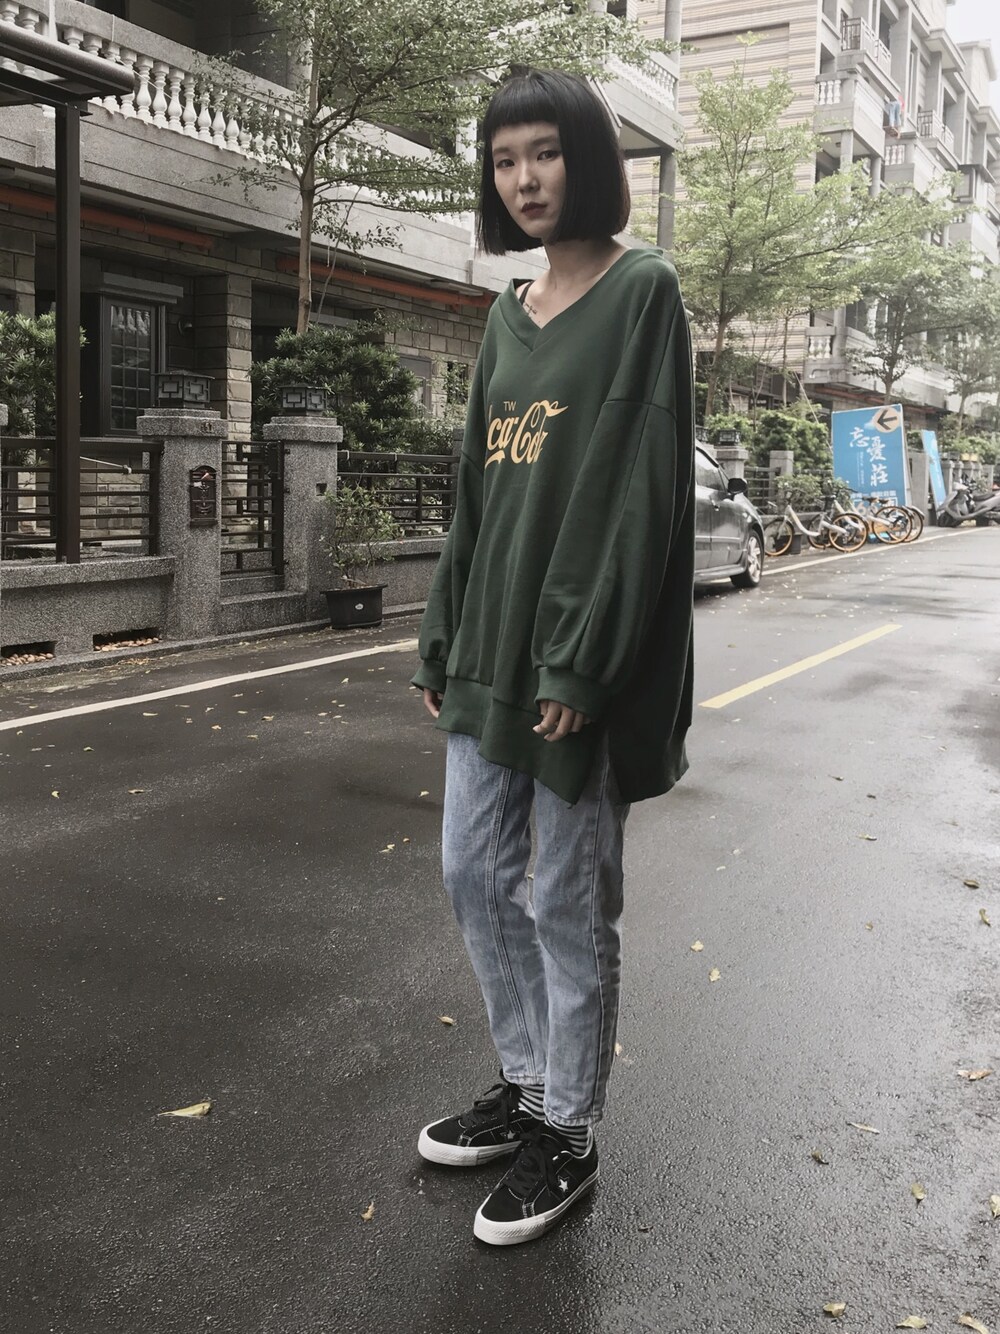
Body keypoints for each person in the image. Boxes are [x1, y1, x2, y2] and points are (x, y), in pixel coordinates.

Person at [410, 67, 695, 1247]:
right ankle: (527, 1084)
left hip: (579, 662)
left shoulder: (642, 294)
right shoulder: (504, 313)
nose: (524, 178)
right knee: (473, 873)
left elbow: (637, 490)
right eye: (503, 159)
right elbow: (476, 493)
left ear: (586, 157)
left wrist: (578, 662)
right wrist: (444, 628)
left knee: (568, 901)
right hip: (490, 650)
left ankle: (566, 1129)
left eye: (545, 152)